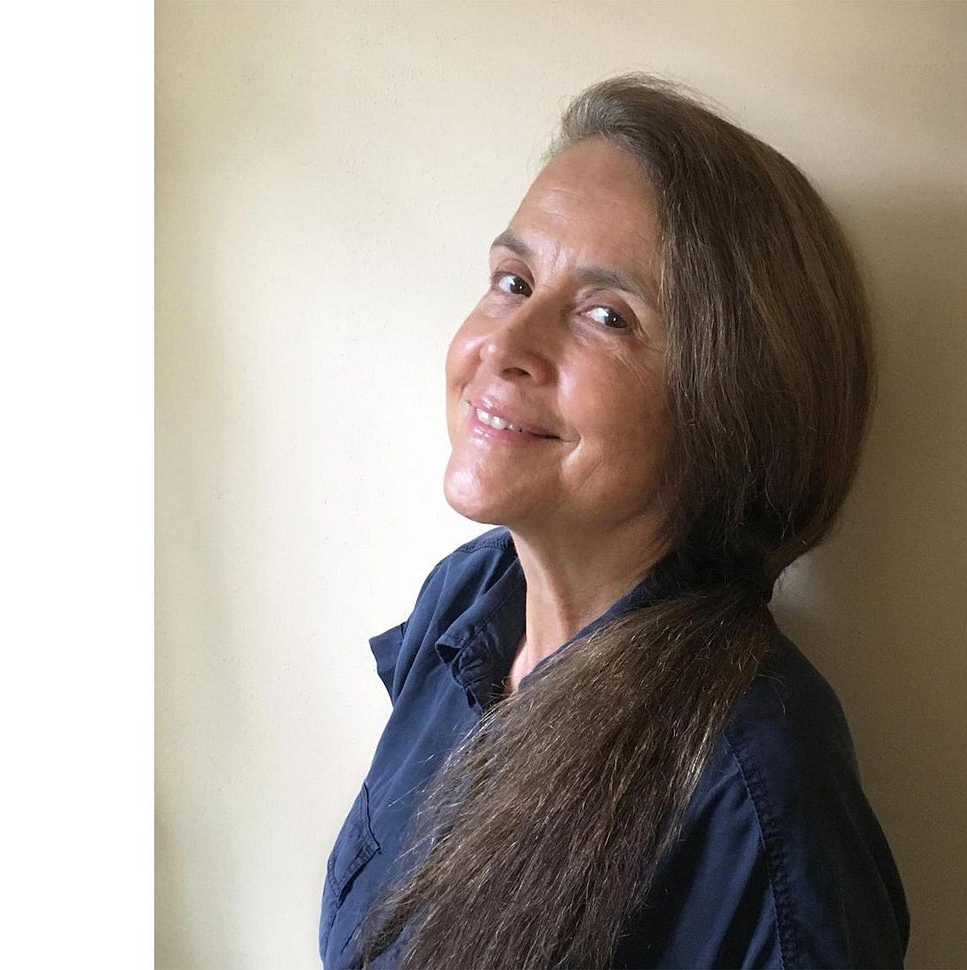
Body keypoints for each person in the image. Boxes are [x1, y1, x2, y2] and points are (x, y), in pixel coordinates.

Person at [319, 74, 910, 969]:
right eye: (512, 280)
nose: (505, 348)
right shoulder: (468, 598)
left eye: (605, 315)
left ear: (731, 405)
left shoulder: (759, 793)